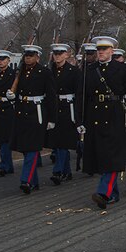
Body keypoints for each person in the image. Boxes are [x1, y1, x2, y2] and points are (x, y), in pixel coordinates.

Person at [80, 36, 126, 208]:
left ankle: (104, 193)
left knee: (113, 156)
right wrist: (81, 120)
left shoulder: (123, 69)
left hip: (115, 115)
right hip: (95, 116)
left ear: (112, 51)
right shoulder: (89, 70)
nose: (101, 52)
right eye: (99, 50)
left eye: (105, 49)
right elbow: (82, 96)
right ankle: (113, 194)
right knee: (101, 155)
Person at [9, 44, 56, 194]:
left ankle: (26, 180)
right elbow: (18, 92)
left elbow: (51, 97)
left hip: (37, 113)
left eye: (31, 56)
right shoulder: (20, 72)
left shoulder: (44, 72)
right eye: (26, 56)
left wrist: (52, 118)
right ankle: (34, 181)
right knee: (25, 148)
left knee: (32, 148)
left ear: (37, 57)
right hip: (22, 112)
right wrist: (12, 97)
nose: (28, 58)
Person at [47, 43, 80, 185]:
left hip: (68, 108)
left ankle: (58, 171)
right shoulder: (49, 71)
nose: (58, 56)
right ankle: (66, 172)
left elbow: (79, 94)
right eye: (55, 53)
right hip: (54, 108)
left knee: (63, 141)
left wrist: (79, 117)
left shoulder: (74, 71)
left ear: (67, 55)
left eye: (61, 53)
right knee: (58, 142)